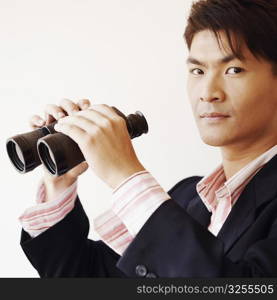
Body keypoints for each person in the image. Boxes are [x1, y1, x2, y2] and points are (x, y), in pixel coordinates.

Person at [19, 0, 277, 277]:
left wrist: (125, 176)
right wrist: (59, 181)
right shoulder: (188, 198)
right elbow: (86, 276)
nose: (207, 92)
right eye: (198, 71)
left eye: (233, 70)